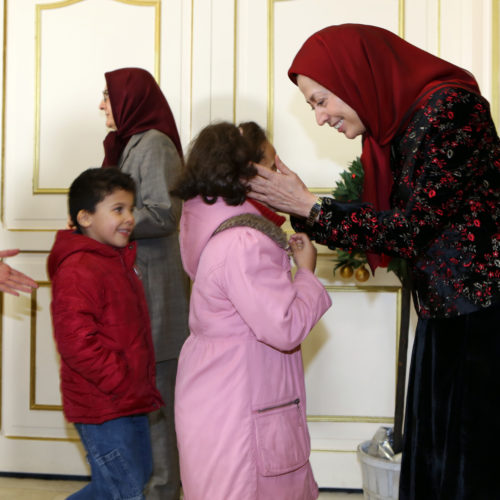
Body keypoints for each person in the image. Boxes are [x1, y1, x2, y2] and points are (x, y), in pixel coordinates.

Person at [248, 24, 500, 500]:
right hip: (450, 317)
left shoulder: (448, 109)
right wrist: (308, 208)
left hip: (479, 324)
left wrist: (310, 208)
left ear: (355, 76)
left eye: (321, 100)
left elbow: (412, 227)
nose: (320, 118)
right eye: (312, 107)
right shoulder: (407, 123)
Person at [170, 121, 332, 500]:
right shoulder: (243, 241)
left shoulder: (209, 224)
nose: (282, 174)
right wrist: (306, 273)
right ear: (248, 176)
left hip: (217, 393)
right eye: (273, 166)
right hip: (240, 404)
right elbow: (285, 327)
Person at [99, 67, 189, 500]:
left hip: (156, 293)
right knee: (145, 398)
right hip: (137, 291)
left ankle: (163, 492)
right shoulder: (130, 143)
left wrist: (107, 223)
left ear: (130, 99)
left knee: (158, 402)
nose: (102, 106)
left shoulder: (153, 143)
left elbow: (164, 214)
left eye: (107, 97)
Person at [48, 168, 164, 499]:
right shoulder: (79, 267)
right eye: (118, 210)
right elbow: (76, 342)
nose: (129, 218)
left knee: (128, 482)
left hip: (130, 398)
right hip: (103, 404)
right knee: (124, 490)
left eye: (130, 208)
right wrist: (120, 380)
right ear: (84, 217)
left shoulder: (115, 261)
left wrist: (134, 384)